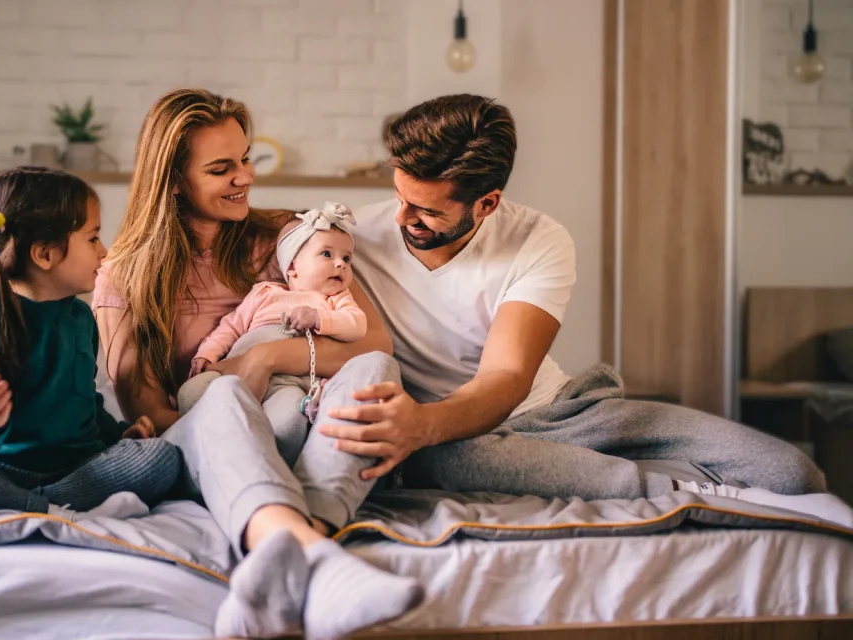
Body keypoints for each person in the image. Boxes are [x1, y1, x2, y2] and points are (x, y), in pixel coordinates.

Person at [310, 93, 825, 502]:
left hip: (557, 412)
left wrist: (422, 425)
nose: (402, 218)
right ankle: (658, 489)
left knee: (789, 472)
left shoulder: (538, 238)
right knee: (435, 457)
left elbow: (506, 377)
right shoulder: (348, 240)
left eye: (426, 210)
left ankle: (615, 475)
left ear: (486, 203)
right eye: (400, 196)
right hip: (455, 441)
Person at [94, 89, 422, 640]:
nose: (244, 177)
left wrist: (267, 357)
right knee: (223, 395)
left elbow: (373, 344)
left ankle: (302, 537)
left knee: (376, 374)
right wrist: (248, 416)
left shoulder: (283, 237)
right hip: (209, 436)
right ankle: (319, 559)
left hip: (308, 420)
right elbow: (149, 411)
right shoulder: (123, 274)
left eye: (245, 158)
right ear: (173, 180)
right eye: (221, 168)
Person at [0, 167, 181, 523]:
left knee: (162, 457)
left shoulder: (80, 318)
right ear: (44, 254)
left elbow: (82, 403)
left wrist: (119, 437)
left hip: (74, 470)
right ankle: (47, 510)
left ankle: (31, 506)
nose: (104, 251)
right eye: (93, 238)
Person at [178, 202, 366, 465]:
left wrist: (319, 318)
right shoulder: (265, 293)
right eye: (327, 254)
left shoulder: (336, 300)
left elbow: (357, 325)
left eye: (346, 259)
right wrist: (207, 354)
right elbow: (230, 326)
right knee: (191, 393)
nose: (341, 264)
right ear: (292, 266)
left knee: (288, 422)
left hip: (288, 382)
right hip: (239, 370)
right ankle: (216, 445)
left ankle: (270, 463)